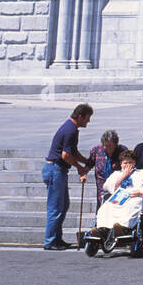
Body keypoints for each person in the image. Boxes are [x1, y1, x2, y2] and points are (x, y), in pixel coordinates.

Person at [42, 104, 93, 249]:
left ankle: (57, 238)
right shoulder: (70, 130)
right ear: (80, 116)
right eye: (87, 119)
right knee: (56, 207)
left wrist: (87, 161)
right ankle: (50, 241)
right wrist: (79, 168)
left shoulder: (72, 129)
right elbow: (66, 155)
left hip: (58, 170)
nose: (88, 122)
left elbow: (73, 152)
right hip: (55, 169)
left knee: (63, 206)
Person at [94, 150, 143, 240]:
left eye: (130, 162)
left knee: (132, 206)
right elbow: (107, 187)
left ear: (135, 163)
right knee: (106, 207)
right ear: (121, 164)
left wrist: (140, 192)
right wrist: (123, 176)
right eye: (125, 163)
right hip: (119, 197)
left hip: (135, 197)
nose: (127, 165)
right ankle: (103, 229)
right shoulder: (116, 174)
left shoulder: (142, 173)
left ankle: (123, 228)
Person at [80, 130, 130, 213]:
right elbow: (89, 164)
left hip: (117, 184)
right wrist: (83, 174)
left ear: (116, 144)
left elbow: (128, 165)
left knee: (116, 207)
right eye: (105, 145)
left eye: (110, 145)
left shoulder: (122, 151)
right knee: (102, 205)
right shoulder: (96, 150)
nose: (107, 148)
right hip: (101, 184)